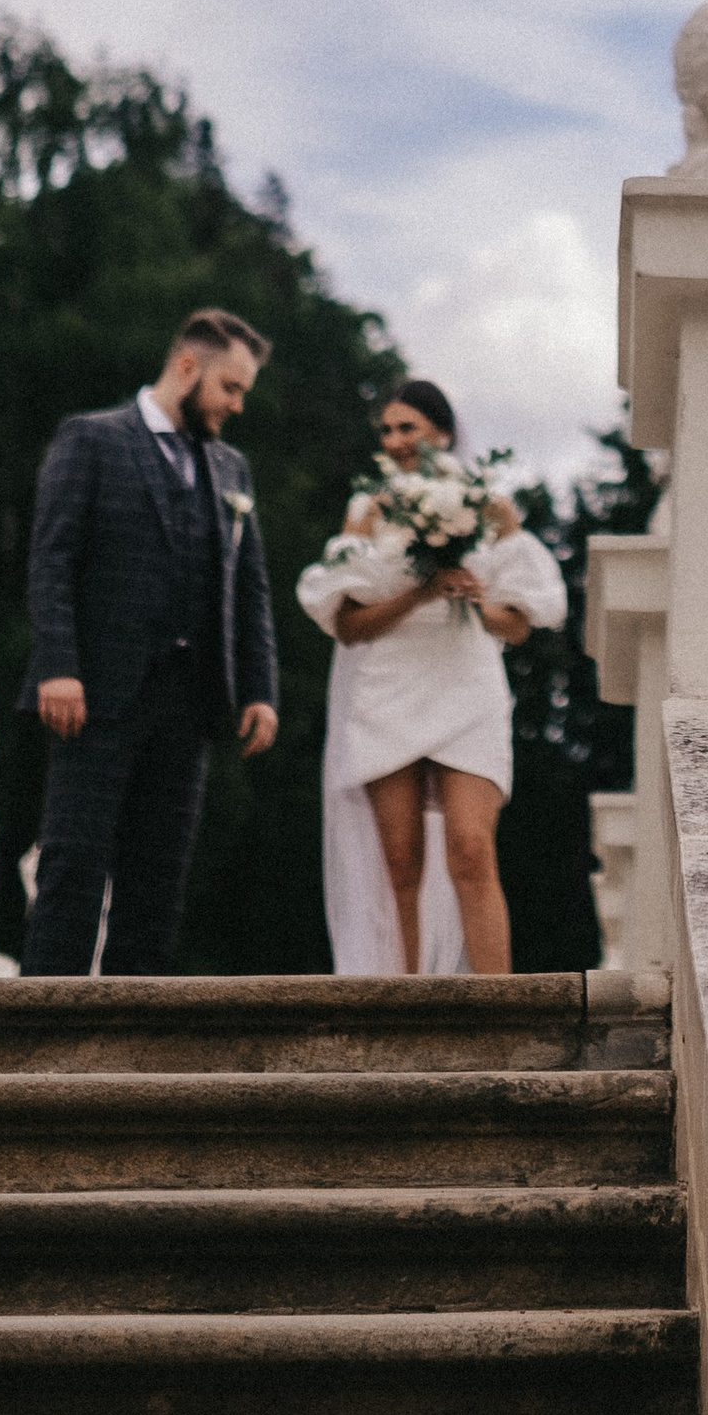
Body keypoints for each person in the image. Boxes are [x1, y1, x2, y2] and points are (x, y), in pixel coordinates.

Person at [18, 308, 280, 977]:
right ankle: (39, 1039)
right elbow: (53, 558)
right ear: (187, 367)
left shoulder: (232, 469)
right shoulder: (91, 438)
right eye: (230, 387)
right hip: (96, 691)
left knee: (158, 880)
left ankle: (134, 1047)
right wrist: (58, 667)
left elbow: (249, 587)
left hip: (190, 703)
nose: (237, 405)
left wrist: (258, 689)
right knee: (73, 863)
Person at [294, 379, 567, 975]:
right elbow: (349, 627)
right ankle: (411, 1009)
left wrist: (472, 599)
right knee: (401, 864)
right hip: (388, 689)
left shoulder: (487, 505)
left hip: (465, 684)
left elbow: (516, 625)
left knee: (471, 848)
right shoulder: (366, 510)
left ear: (441, 434)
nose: (394, 442)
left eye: (406, 428)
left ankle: (500, 1012)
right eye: (386, 430)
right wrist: (420, 592)